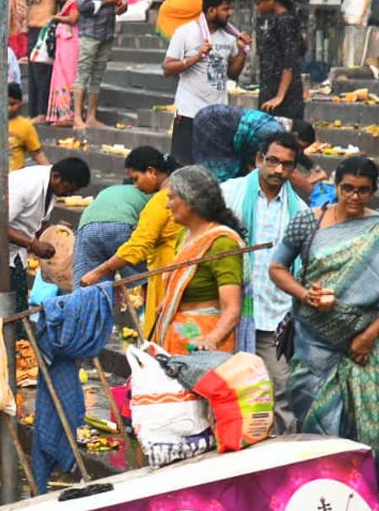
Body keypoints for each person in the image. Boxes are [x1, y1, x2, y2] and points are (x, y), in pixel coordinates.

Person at [270, 157, 379, 445]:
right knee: (316, 426)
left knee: (367, 430)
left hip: (364, 351)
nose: (354, 197)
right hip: (312, 347)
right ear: (335, 186)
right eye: (347, 188)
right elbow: (277, 268)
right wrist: (305, 294)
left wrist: (367, 338)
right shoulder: (309, 220)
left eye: (363, 190)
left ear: (373, 191)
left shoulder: (376, 230)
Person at [222, 132, 306, 432]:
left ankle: (281, 462)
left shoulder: (301, 213)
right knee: (233, 390)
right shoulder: (229, 194)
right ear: (259, 159)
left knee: (282, 390)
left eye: (287, 165)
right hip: (232, 313)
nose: (279, 171)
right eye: (273, 161)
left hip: (276, 316)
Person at [0, 158, 91, 319]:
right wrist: (33, 245)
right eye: (68, 190)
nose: (68, 195)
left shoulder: (52, 187)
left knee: (19, 301)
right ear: (56, 177)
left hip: (15, 247)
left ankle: (17, 340)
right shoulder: (27, 184)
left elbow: (38, 220)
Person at [79, 148, 180, 334]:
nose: (135, 186)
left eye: (135, 178)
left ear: (151, 171)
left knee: (166, 332)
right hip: (182, 269)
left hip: (168, 271)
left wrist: (100, 271)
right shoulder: (184, 194)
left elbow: (138, 246)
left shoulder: (160, 201)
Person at [152, 166, 245, 354]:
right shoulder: (183, 236)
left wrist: (211, 339)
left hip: (203, 343)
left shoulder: (221, 243)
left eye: (171, 198)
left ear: (190, 201)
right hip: (178, 335)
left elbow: (232, 308)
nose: (167, 205)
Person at [163, 0, 250, 164]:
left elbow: (232, 73)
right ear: (211, 11)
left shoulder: (229, 37)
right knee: (183, 166)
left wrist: (242, 52)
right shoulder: (185, 32)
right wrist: (196, 57)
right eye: (225, 9)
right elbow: (167, 68)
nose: (230, 13)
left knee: (213, 166)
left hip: (217, 114)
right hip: (189, 113)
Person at [71, 148, 157, 285]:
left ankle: (86, 305)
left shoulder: (109, 190)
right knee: (139, 281)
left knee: (90, 285)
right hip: (121, 225)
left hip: (87, 227)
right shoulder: (151, 193)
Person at [72, 0, 125, 129]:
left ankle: (91, 116)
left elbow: (113, 5)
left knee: (97, 75)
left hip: (107, 31)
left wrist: (120, 6)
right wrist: (106, 2)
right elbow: (83, 6)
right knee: (83, 73)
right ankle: (77, 117)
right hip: (90, 32)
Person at [21, 0, 72, 121]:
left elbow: (71, 0)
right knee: (33, 74)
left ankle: (42, 113)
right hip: (32, 32)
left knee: (41, 73)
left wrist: (58, 18)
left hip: (44, 33)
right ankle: (34, 112)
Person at [250, 0, 305, 122]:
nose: (257, 8)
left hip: (284, 94)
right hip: (271, 88)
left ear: (270, 0)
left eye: (259, 4)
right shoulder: (276, 20)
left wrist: (280, 96)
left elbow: (289, 61)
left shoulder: (286, 22)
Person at [191, 105, 284, 182]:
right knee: (220, 178)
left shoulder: (270, 135)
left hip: (221, 123)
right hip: (213, 126)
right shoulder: (274, 135)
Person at [0, 84, 48, 179]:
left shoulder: (26, 126)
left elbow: (37, 153)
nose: (9, 108)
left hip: (13, 182)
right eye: (5, 103)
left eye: (13, 104)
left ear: (20, 103)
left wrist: (49, 172)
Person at [45, 0, 82, 124]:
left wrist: (56, 17)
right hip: (65, 42)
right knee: (62, 75)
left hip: (70, 42)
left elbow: (73, 19)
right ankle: (64, 114)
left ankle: (69, 115)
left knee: (68, 76)